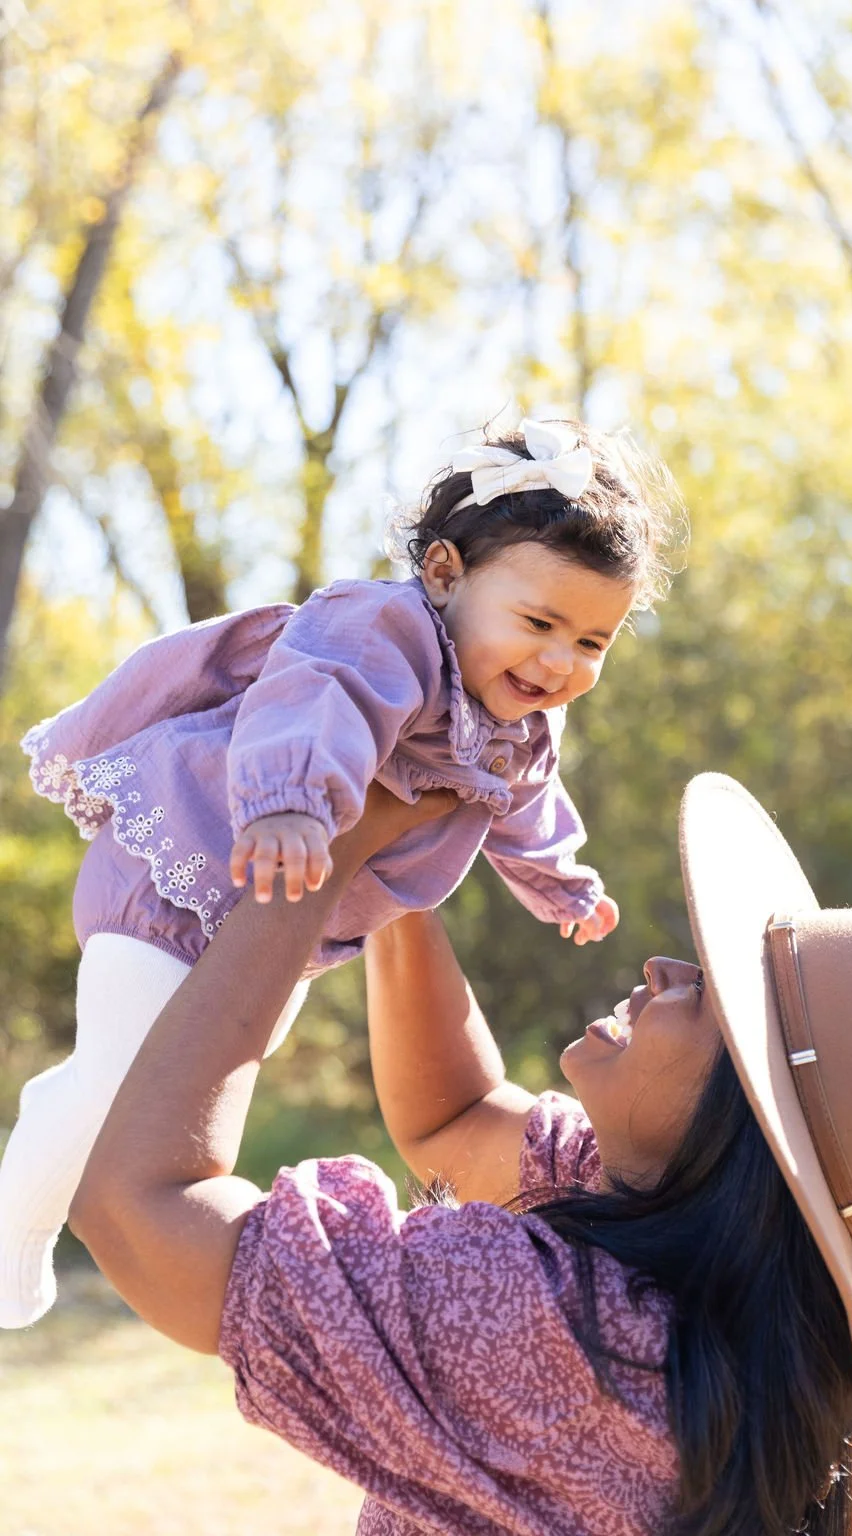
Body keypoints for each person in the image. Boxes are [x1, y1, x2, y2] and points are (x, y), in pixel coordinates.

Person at [69, 772, 852, 1536]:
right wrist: (398, 877)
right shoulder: (736, 1307)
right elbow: (454, 1117)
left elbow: (139, 1205)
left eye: (715, 995)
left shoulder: (556, 1330)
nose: (663, 970)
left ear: (748, 1127)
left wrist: (317, 863)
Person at [0, 416, 678, 1330]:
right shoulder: (385, 630)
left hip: (278, 926)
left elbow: (524, 806)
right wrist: (289, 801)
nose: (560, 662)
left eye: (593, 643)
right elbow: (316, 699)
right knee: (124, 1090)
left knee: (198, 1081)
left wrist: (560, 882)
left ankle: (71, 1098)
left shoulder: (518, 721)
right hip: (183, 871)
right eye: (539, 623)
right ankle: (14, 1236)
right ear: (444, 574)